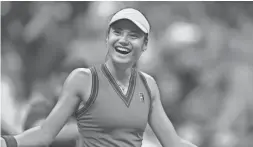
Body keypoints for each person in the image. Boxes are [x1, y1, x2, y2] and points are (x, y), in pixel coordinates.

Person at [1, 8, 198, 147]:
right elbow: (44, 134)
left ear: (145, 45)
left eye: (133, 35)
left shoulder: (148, 85)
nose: (123, 40)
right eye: (118, 32)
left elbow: (172, 142)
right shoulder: (82, 80)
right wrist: (7, 142)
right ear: (107, 38)